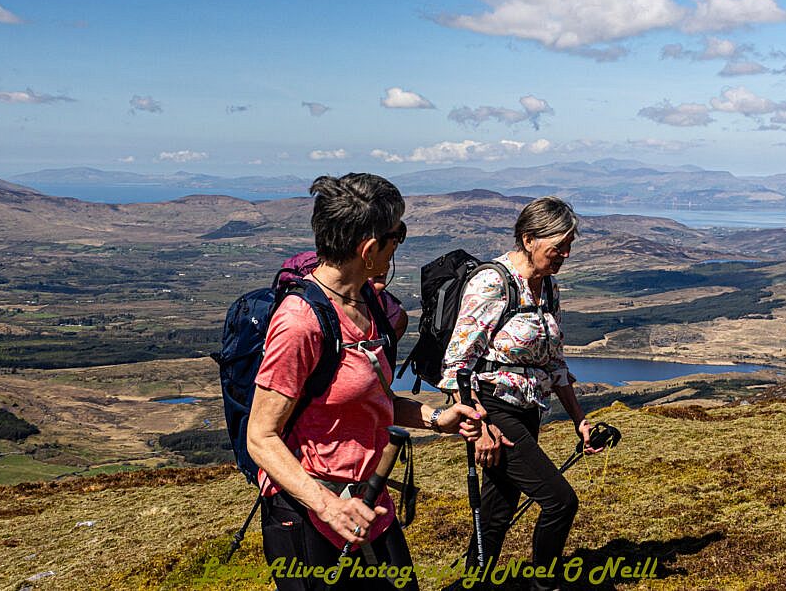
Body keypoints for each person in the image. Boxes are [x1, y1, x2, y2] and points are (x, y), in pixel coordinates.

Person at [247, 173, 484, 591]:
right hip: (312, 517)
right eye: (398, 235)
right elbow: (261, 437)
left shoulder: (370, 304)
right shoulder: (300, 323)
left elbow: (367, 399)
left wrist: (435, 417)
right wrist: (325, 505)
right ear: (370, 248)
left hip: (369, 504)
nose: (399, 246)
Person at [439, 196, 596, 591]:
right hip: (492, 407)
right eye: (557, 245)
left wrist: (579, 420)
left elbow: (555, 364)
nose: (565, 253)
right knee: (560, 501)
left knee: (497, 510)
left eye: (569, 245)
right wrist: (481, 427)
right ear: (528, 238)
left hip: (528, 408)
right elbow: (457, 365)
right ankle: (544, 585)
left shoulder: (549, 288)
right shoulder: (492, 282)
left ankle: (470, 584)